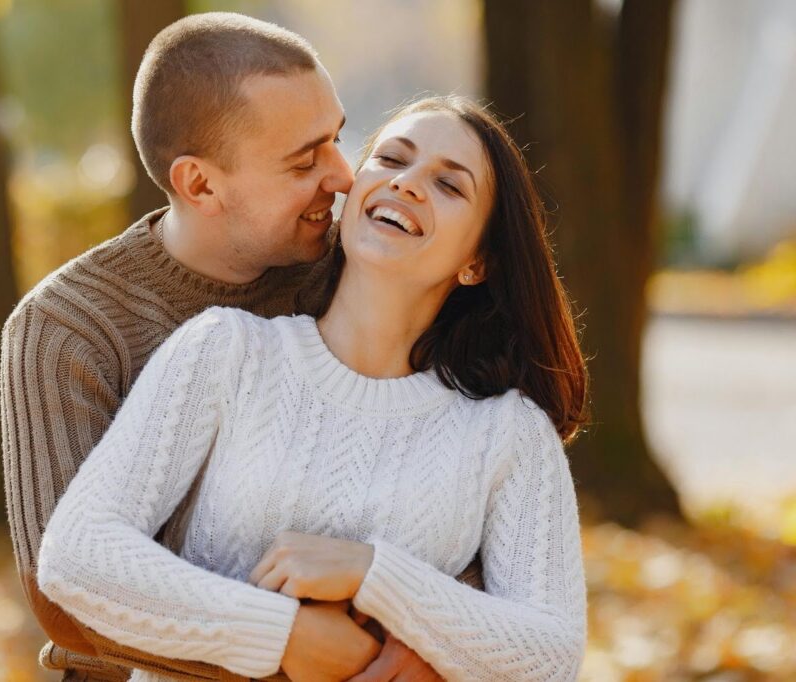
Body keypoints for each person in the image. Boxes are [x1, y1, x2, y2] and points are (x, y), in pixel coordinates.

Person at [36, 94, 590, 682]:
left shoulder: (506, 432)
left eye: (450, 186)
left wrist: (375, 575)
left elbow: (552, 655)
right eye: (391, 159)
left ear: (478, 262)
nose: (406, 184)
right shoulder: (229, 352)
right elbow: (78, 555)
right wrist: (282, 635)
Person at [0, 12, 478, 680]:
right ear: (200, 184)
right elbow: (63, 595)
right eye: (304, 159)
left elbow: (463, 467)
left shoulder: (349, 275)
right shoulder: (70, 327)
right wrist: (283, 643)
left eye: (338, 140)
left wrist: (421, 647)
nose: (343, 176)